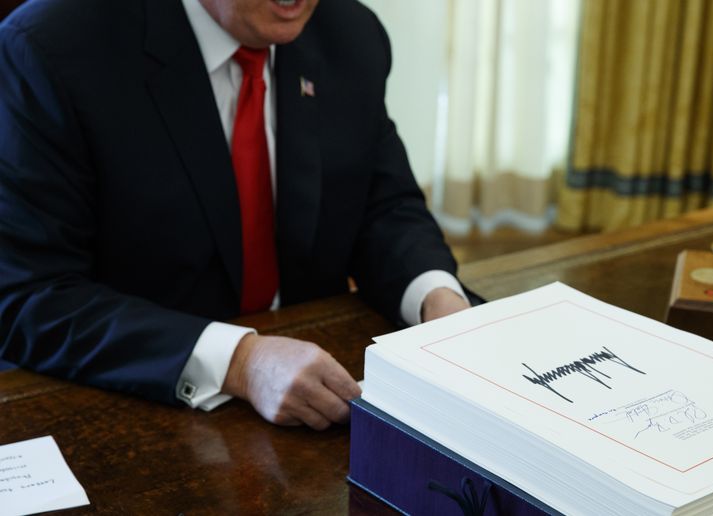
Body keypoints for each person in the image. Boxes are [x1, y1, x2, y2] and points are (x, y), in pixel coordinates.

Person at [0, 0, 471, 429]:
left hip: (314, 411)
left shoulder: (350, 34)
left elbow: (383, 206)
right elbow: (29, 294)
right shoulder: (51, 48)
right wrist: (239, 362)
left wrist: (437, 299)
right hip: (129, 409)